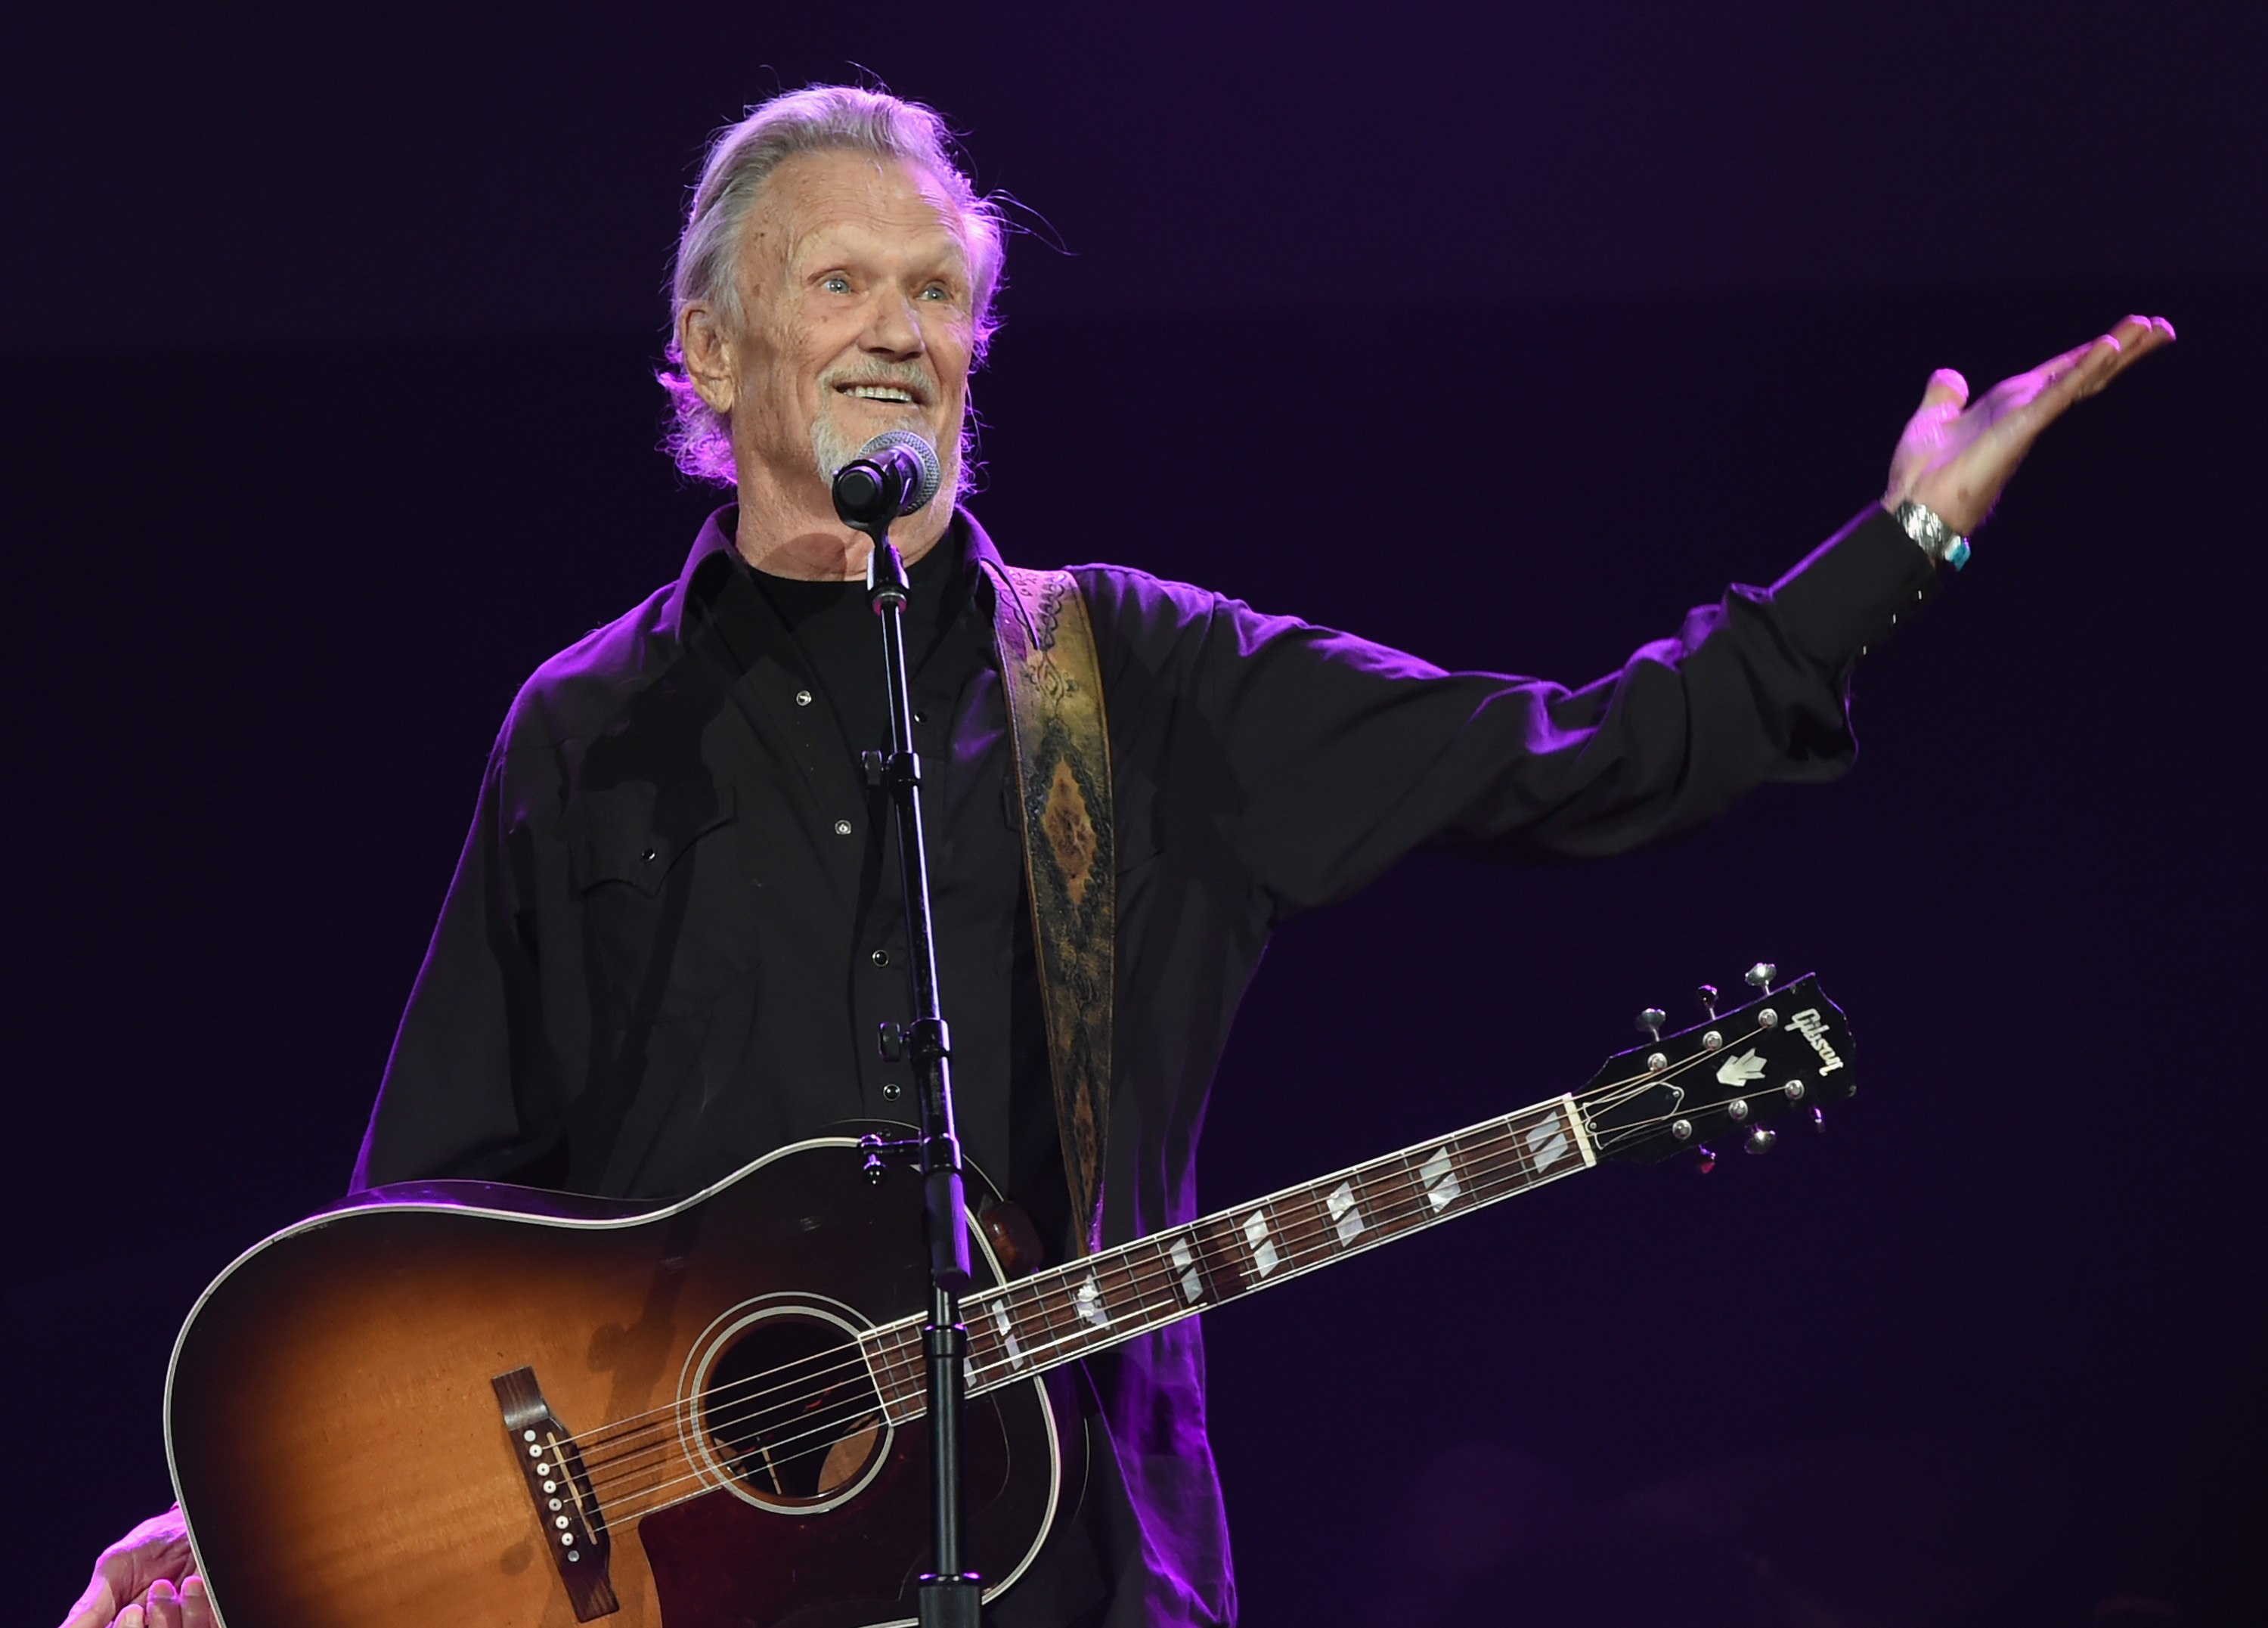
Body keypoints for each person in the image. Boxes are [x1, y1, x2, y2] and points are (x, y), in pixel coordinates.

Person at [57, 85, 2172, 1628]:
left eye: (939, 291)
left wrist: (1906, 545)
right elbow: (422, 1218)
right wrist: (278, 1535)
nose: (902, 325)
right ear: (712, 357)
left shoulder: (1134, 679)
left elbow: (1574, 756)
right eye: (842, 282)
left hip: (1078, 1582)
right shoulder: (583, 729)